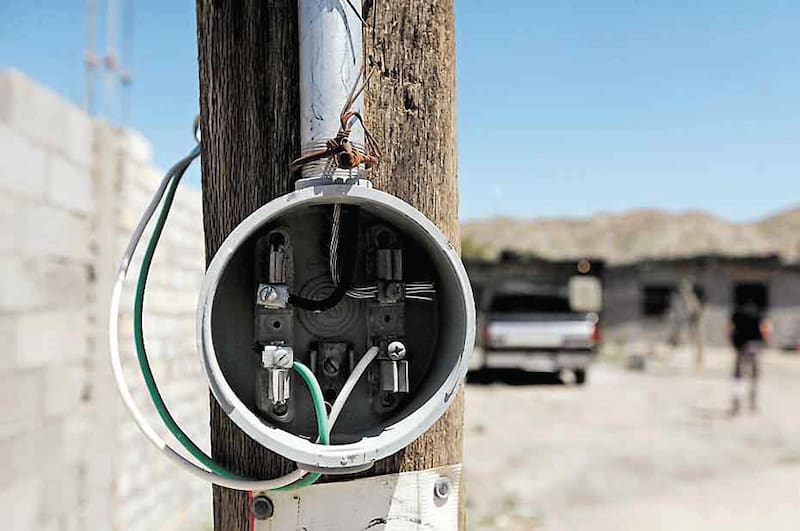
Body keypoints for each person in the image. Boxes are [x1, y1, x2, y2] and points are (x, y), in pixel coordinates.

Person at [729, 301, 771, 415]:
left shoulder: (737, 314)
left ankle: (737, 405)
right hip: (756, 347)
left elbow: (729, 329)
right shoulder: (760, 315)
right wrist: (765, 343)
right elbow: (765, 330)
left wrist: (733, 343)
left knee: (739, 377)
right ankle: (753, 404)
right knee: (754, 377)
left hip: (741, 347)